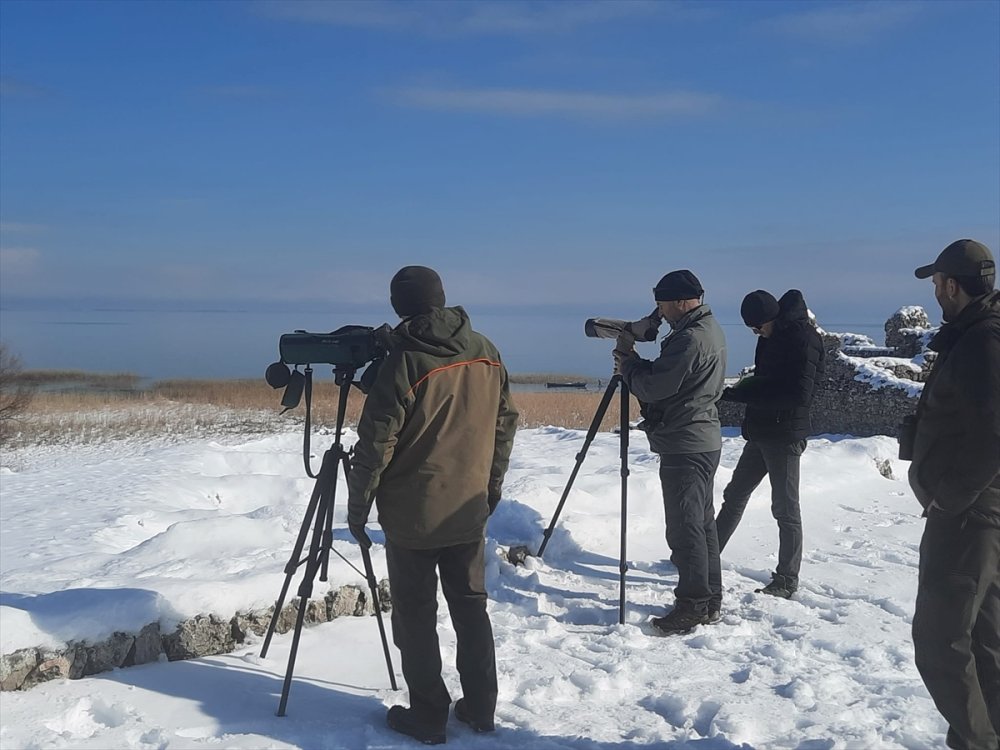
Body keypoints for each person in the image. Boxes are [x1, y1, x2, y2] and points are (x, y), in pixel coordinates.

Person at [347, 266, 519, 745]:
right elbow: (505, 423)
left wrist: (357, 510)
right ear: (441, 298)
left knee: (416, 615)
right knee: (471, 607)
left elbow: (376, 444)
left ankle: (427, 715)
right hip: (467, 507)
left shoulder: (403, 362)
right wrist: (490, 488)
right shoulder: (485, 350)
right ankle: (481, 707)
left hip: (413, 516)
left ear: (398, 305)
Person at [907, 239, 1000, 750]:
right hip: (982, 510)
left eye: (937, 283)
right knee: (985, 642)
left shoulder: (983, 340)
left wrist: (950, 498)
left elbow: (994, 432)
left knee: (940, 642)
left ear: (951, 285)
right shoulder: (978, 333)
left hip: (970, 514)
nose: (935, 292)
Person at [614, 269, 727, 635]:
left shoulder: (690, 339)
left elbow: (656, 387)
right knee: (702, 524)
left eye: (662, 304)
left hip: (685, 442)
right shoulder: (708, 330)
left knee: (685, 528)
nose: (659, 312)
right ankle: (709, 600)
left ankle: (692, 605)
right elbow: (676, 379)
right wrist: (638, 366)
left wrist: (629, 365)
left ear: (680, 301)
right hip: (701, 438)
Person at [714, 289, 825, 599]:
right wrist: (740, 393)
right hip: (761, 430)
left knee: (785, 508)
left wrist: (747, 395)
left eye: (758, 327)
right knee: (734, 495)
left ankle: (787, 579)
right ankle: (706, 556)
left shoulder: (805, 340)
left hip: (786, 435)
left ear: (772, 318)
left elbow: (799, 395)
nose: (756, 333)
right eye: (752, 329)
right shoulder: (770, 336)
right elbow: (765, 380)